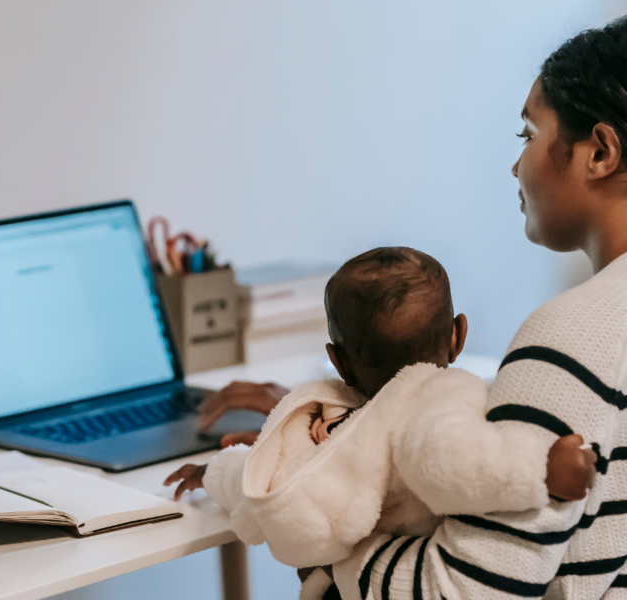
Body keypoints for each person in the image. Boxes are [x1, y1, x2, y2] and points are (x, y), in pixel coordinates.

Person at [194, 17, 627, 599]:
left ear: (599, 151)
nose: (516, 165)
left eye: (528, 135)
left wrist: (320, 521)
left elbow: (459, 593)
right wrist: (355, 426)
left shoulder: (570, 337)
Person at [166, 249, 595, 588]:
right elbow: (457, 463)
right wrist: (541, 468)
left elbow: (263, 481)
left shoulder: (326, 423)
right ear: (458, 336)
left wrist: (211, 474)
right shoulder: (441, 400)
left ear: (338, 362)